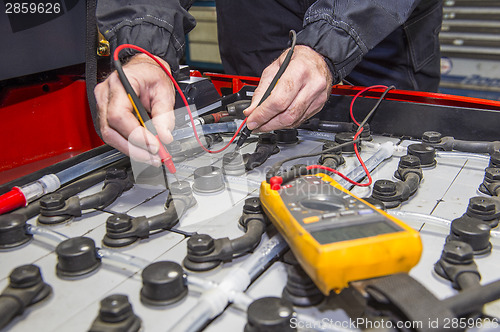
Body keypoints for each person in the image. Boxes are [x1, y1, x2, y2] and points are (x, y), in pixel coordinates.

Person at [94, 0, 443, 165]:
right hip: (257, 24)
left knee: (394, 153)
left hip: (378, 36)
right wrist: (145, 47)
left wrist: (330, 43)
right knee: (260, 113)